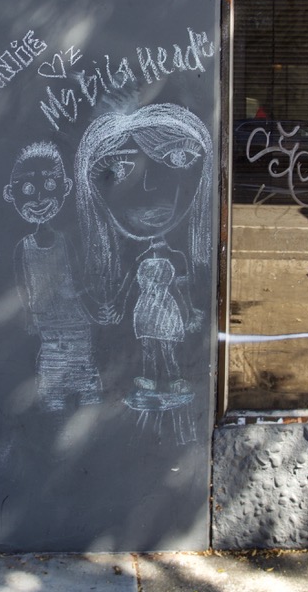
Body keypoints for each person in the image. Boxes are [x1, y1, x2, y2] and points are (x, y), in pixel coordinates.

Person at [74, 104, 213, 397]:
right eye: (116, 169)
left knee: (166, 346)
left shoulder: (181, 257)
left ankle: (173, 377)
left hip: (167, 311)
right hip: (146, 312)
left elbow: (183, 288)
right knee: (151, 346)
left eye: (178, 157)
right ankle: (152, 377)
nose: (149, 187)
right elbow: (127, 288)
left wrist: (191, 315)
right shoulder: (132, 258)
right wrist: (114, 307)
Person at [5, 141, 102, 411]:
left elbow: (77, 276)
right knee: (52, 361)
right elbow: (22, 285)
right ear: (10, 194)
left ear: (65, 187)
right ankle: (55, 402)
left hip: (74, 317)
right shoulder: (22, 247)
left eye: (49, 187)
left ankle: (85, 396)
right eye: (27, 189)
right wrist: (28, 315)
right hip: (46, 318)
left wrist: (85, 300)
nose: (38, 199)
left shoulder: (64, 241)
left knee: (81, 358)